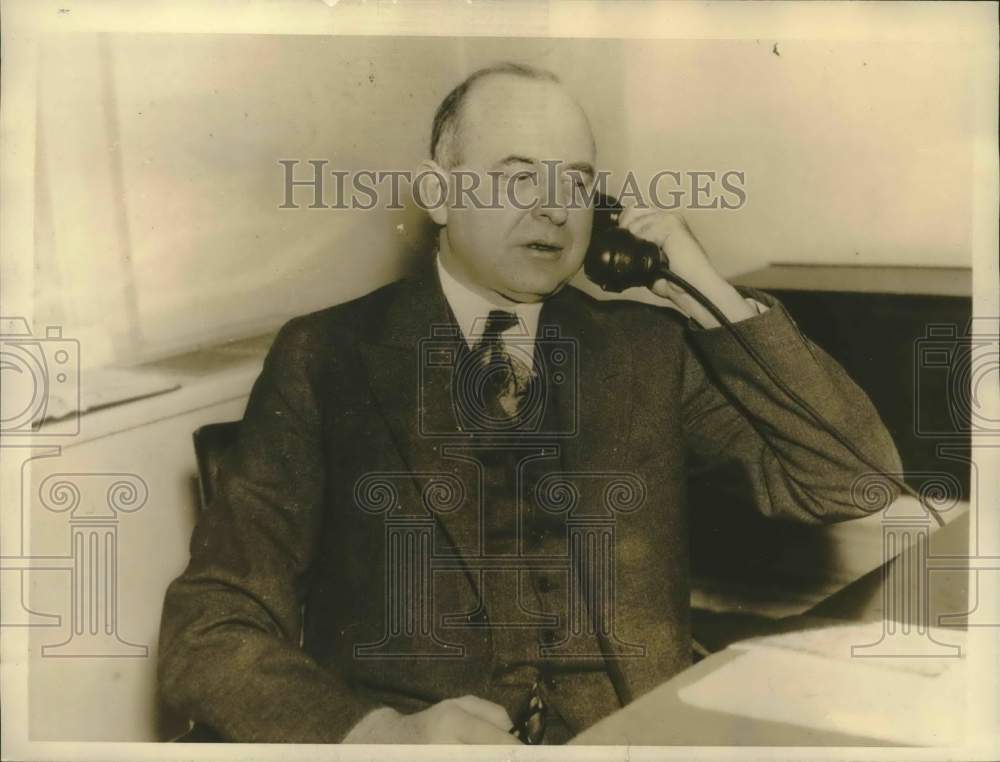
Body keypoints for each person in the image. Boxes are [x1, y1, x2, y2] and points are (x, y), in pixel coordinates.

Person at [158, 62, 903, 745]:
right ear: (439, 194)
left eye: (575, 183)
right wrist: (380, 736)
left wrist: (710, 293)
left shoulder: (645, 349)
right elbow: (209, 627)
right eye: (518, 178)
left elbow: (854, 478)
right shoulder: (326, 356)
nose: (553, 209)